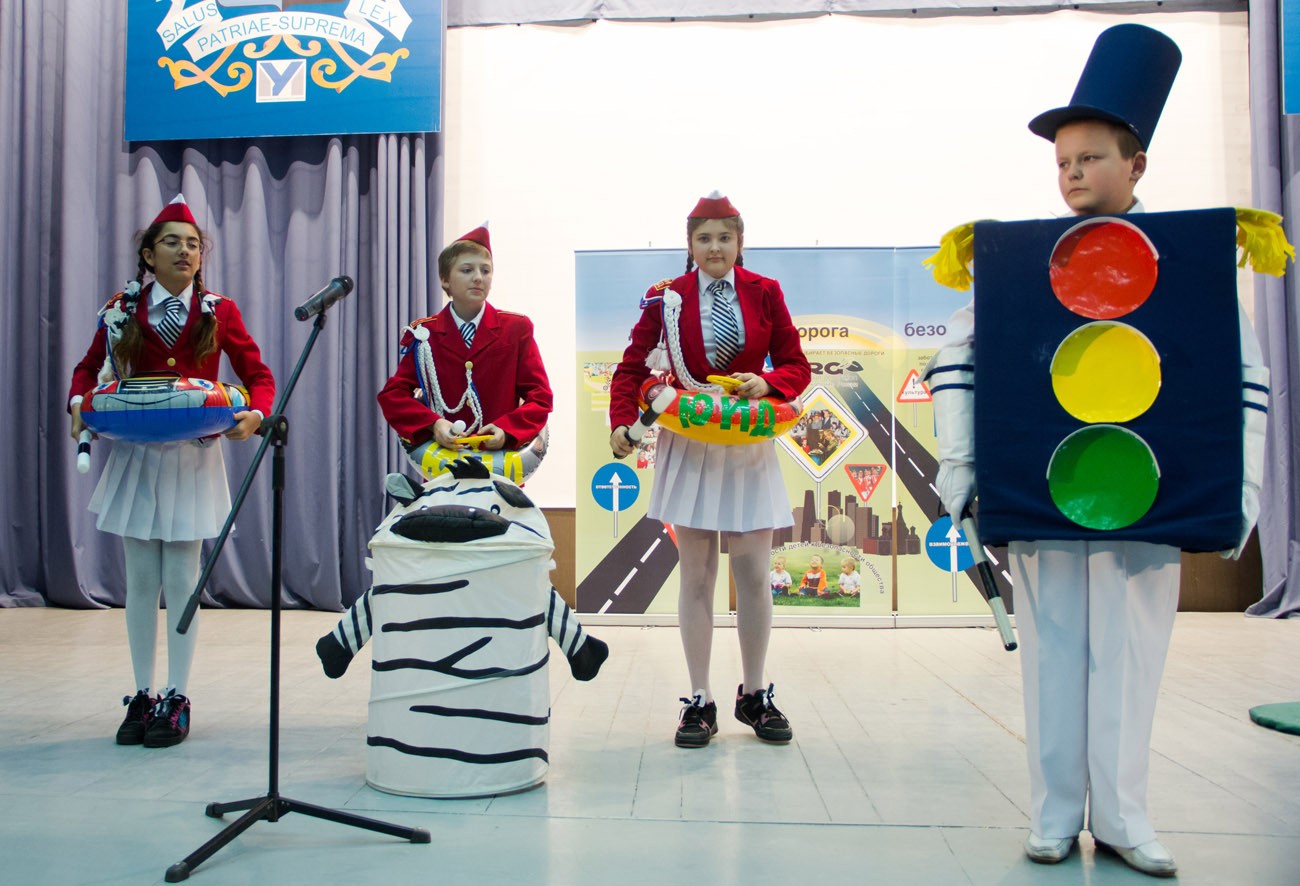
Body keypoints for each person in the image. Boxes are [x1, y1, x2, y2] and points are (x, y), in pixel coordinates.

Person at [925, 26, 1267, 878]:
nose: (1073, 172)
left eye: (1090, 157)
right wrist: (961, 469)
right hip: (1044, 491)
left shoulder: (1187, 263)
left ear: (1136, 164)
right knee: (1051, 655)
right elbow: (957, 357)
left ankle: (1121, 817)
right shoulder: (1021, 262)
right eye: (1063, 161)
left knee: (1130, 658)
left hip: (1147, 495)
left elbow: (1242, 375)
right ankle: (1052, 815)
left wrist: (1243, 489)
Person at [317, 223, 607, 681]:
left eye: (486, 269)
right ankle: (352, 641)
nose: (479, 278)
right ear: (445, 280)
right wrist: (432, 423)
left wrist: (505, 432)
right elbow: (394, 395)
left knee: (515, 555)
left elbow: (539, 397)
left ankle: (565, 646)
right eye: (467, 269)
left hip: (501, 471)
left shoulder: (515, 328)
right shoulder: (423, 335)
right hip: (441, 469)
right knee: (418, 555)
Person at [68, 195, 275, 748]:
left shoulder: (219, 311)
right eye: (172, 243)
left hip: (192, 455)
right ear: (148, 254)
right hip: (135, 453)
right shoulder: (121, 308)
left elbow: (258, 375)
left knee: (183, 576)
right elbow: (87, 369)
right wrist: (78, 403)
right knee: (140, 577)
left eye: (193, 244)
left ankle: (177, 695)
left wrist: (255, 414)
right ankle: (141, 693)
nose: (185, 252)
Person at [609, 192, 811, 748]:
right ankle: (699, 699)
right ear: (690, 244)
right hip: (691, 442)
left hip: (747, 442)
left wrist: (768, 383)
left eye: (725, 237)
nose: (715, 247)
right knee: (695, 575)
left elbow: (796, 364)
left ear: (740, 242)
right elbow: (631, 367)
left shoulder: (765, 291)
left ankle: (755, 693)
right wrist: (623, 421)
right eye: (704, 238)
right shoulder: (665, 298)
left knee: (754, 574)